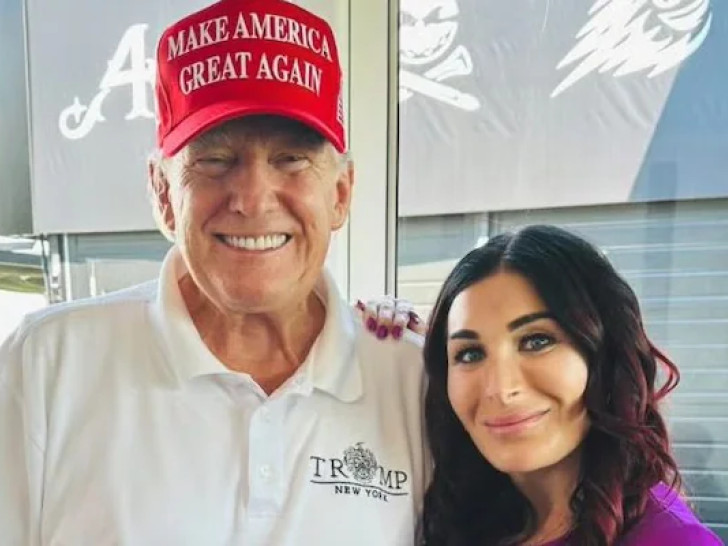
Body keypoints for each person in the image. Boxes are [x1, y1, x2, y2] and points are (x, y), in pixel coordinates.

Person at [0, 1, 428, 544]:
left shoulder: (412, 378)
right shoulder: (47, 363)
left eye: (291, 159)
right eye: (215, 160)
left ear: (341, 193)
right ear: (163, 193)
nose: (252, 198)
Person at [363, 224, 722, 546]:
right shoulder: (469, 516)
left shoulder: (673, 539)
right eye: (470, 353)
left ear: (605, 355)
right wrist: (372, 342)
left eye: (536, 341)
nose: (500, 389)